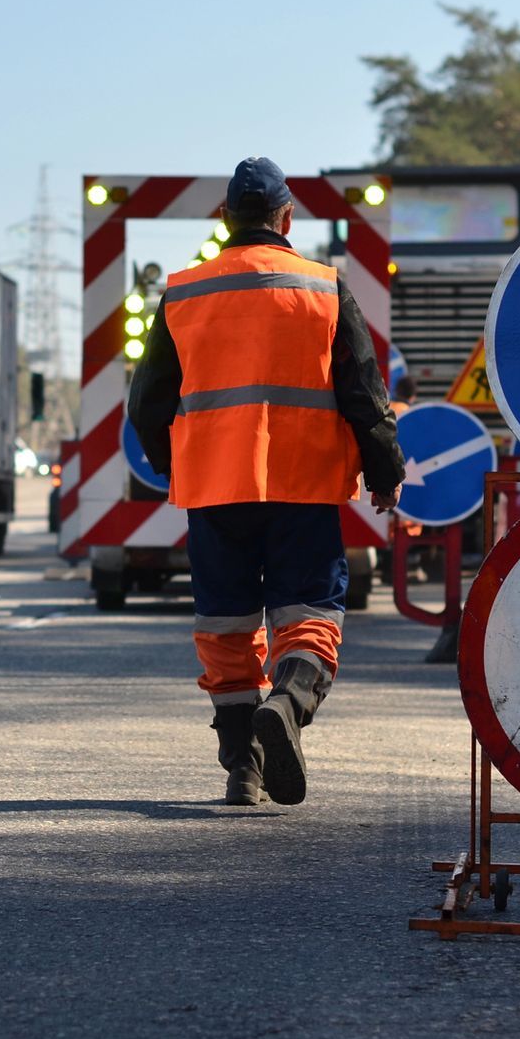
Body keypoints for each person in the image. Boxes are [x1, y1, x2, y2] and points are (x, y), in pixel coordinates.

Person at [127, 157, 405, 807]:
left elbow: (146, 403)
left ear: (225, 218)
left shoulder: (186, 291)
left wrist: (175, 464)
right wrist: (384, 469)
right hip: (303, 486)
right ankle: (290, 696)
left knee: (225, 624)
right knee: (308, 609)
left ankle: (242, 768)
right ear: (287, 218)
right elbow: (364, 389)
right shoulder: (322, 287)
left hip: (215, 489)